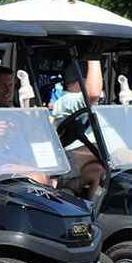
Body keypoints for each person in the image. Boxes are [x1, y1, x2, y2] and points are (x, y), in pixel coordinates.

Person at [51, 59, 104, 198]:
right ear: (81, 81)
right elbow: (93, 93)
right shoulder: (66, 101)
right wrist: (94, 57)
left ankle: (96, 214)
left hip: (88, 162)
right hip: (74, 159)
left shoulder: (92, 104)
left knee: (100, 173)